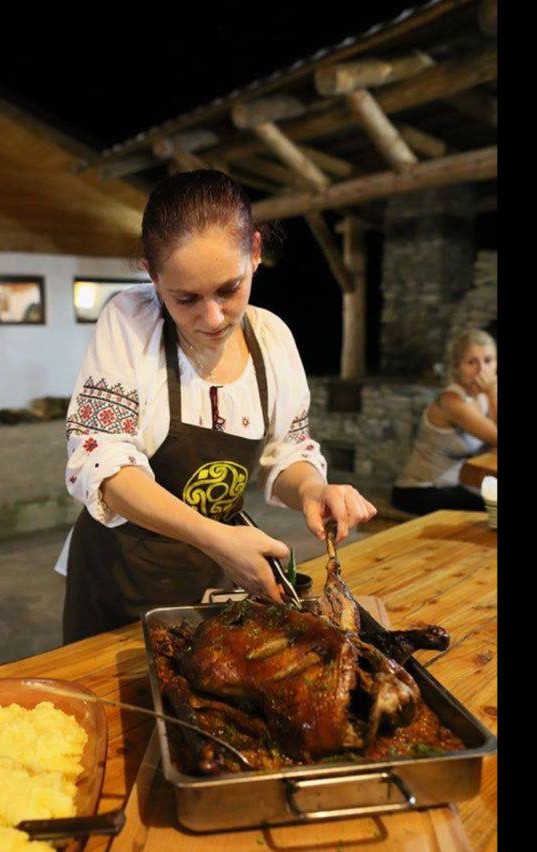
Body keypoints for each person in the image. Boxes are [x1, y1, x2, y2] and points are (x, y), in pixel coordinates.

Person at [57, 171, 376, 644]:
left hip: (212, 570)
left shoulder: (273, 340)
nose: (212, 318)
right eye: (185, 299)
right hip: (120, 571)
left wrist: (311, 488)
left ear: (255, 251)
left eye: (229, 289)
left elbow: (284, 452)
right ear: (151, 273)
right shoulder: (130, 323)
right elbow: (101, 461)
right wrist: (217, 538)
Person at [392, 328, 497, 516]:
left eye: (488, 361)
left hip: (454, 486)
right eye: (472, 362)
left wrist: (490, 394)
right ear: (457, 368)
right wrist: (492, 390)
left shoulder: (481, 399)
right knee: (491, 512)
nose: (482, 369)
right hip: (419, 490)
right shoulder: (452, 401)